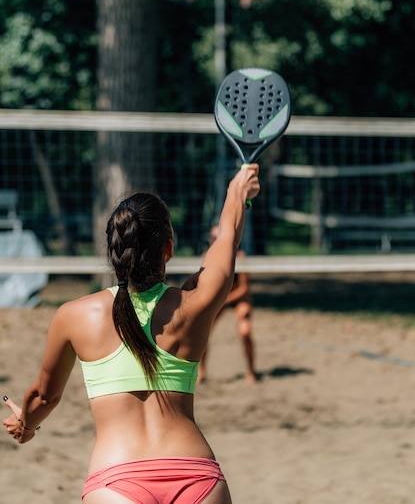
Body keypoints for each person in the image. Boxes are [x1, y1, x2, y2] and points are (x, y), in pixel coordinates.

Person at [2, 163, 260, 504]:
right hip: (197, 478)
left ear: (114, 251)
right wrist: (236, 193)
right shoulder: (194, 305)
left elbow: (44, 397)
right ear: (168, 248)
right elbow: (227, 238)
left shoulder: (74, 316)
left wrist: (27, 424)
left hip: (117, 481)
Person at [198, 225, 256, 384]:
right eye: (213, 238)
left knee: (245, 330)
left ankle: (251, 371)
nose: (215, 241)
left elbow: (244, 288)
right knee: (203, 332)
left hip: (237, 296)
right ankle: (201, 372)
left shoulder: (239, 256)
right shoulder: (206, 257)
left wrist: (225, 299)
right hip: (220, 297)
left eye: (219, 238)